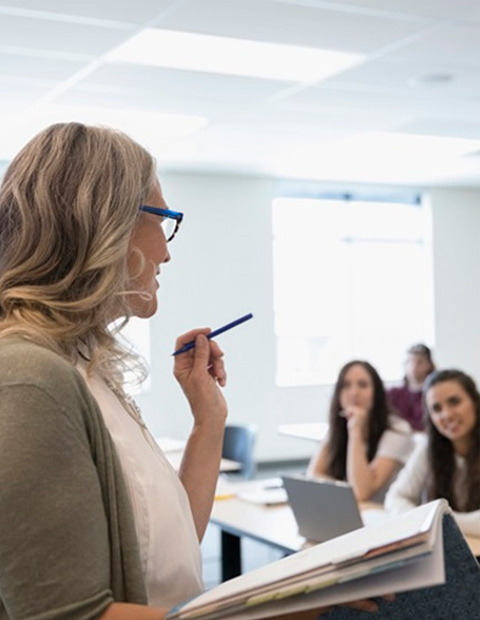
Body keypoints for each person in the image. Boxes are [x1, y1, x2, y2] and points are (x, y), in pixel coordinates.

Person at [0, 123, 389, 620]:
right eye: (162, 218)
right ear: (104, 221)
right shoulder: (28, 376)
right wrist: (280, 606)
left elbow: (170, 547)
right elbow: (70, 616)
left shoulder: (82, 366)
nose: (166, 249)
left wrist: (209, 420)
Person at [385, 369, 480, 538]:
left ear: (474, 402)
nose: (447, 414)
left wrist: (437, 519)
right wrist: (429, 519)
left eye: (454, 402)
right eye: (436, 408)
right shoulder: (428, 448)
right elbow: (396, 497)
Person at [307, 360, 414, 502]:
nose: (354, 392)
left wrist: (355, 430)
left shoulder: (398, 430)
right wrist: (345, 490)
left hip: (383, 515)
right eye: (346, 385)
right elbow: (313, 475)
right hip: (352, 511)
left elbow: (362, 492)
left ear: (376, 392)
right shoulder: (338, 426)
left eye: (363, 385)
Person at [388, 343, 435, 431]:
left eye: (419, 362)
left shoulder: (433, 394)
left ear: (429, 365)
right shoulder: (392, 394)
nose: (414, 366)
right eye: (410, 361)